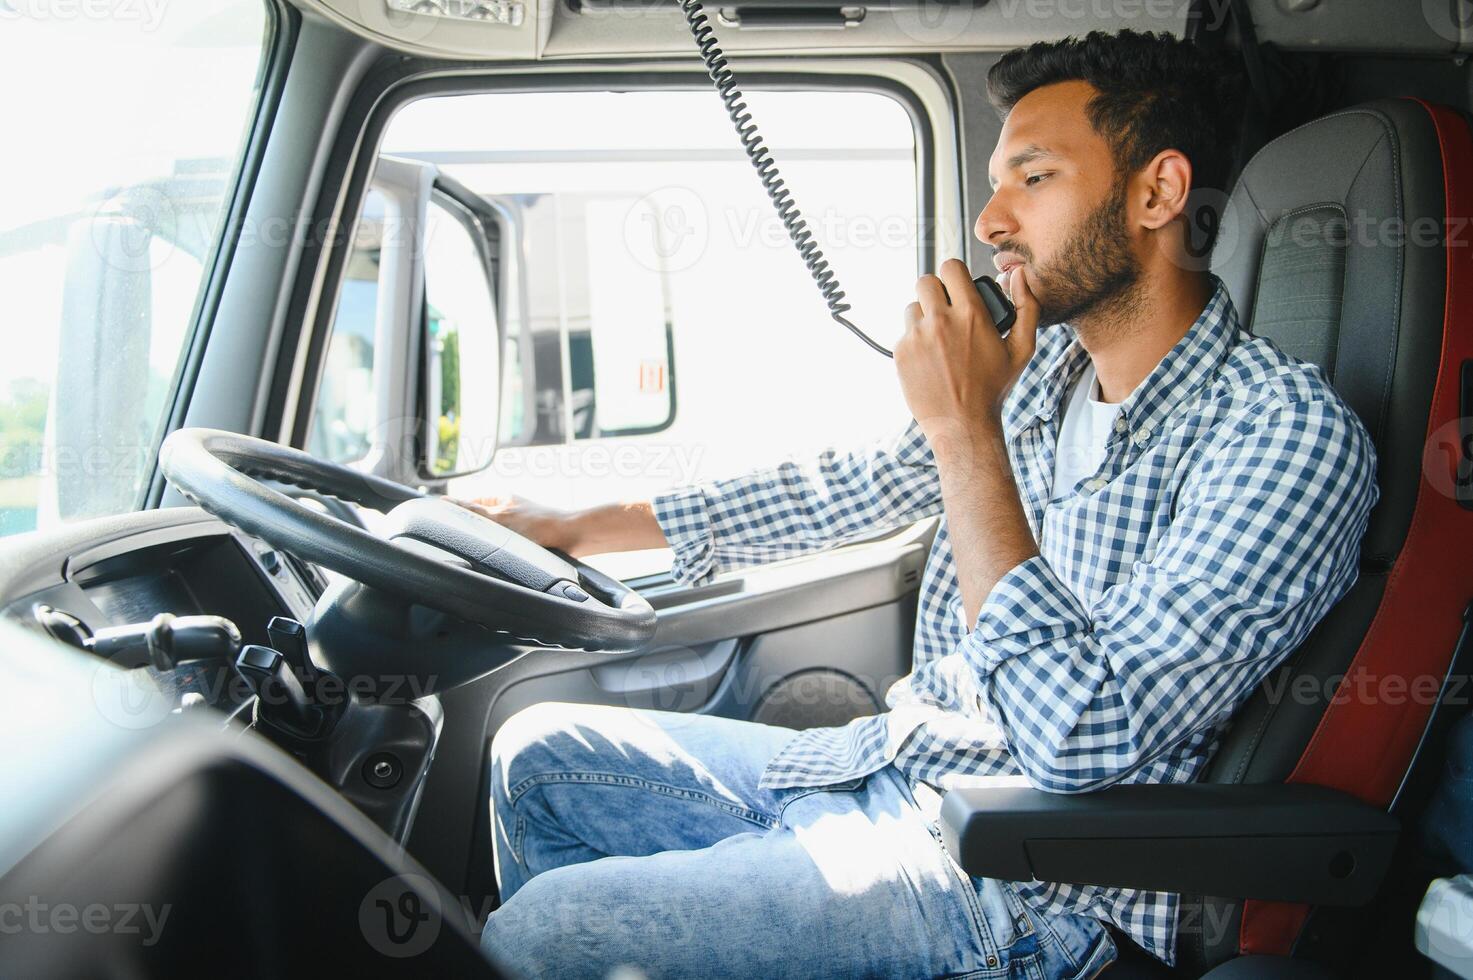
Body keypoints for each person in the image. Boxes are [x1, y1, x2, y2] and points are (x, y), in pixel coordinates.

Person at [462, 28, 1379, 979]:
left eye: (1032, 178)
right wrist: (575, 526)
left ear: (1156, 192)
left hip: (1024, 884)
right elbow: (849, 489)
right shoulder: (1042, 372)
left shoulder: (1283, 437)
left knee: (541, 937)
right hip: (901, 769)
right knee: (540, 760)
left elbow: (1074, 738)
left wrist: (964, 433)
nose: (988, 221)